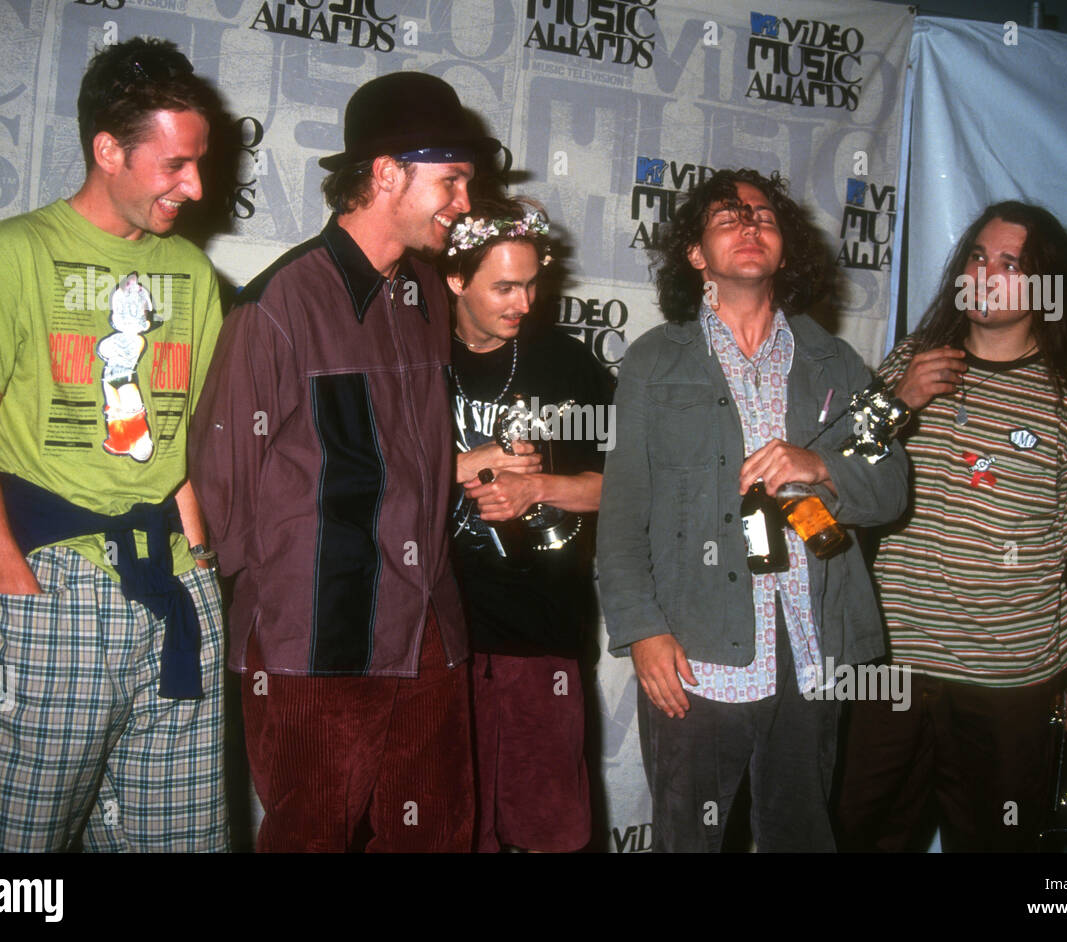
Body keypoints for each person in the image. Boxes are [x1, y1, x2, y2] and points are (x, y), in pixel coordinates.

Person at [189, 72, 498, 852]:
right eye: (452, 180)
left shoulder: (427, 294)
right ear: (387, 173)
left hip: (428, 628)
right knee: (311, 839)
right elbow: (220, 495)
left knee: (438, 836)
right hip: (315, 644)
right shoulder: (276, 306)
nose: (465, 202)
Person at [0, 37, 227, 851]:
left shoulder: (194, 276)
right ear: (108, 150)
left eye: (198, 163)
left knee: (176, 839)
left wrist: (201, 563)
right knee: (24, 852)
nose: (194, 186)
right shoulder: (15, 250)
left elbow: (190, 449)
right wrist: (11, 579)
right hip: (55, 581)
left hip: (175, 585)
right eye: (173, 165)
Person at [596, 168, 908, 852]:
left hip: (812, 647)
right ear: (696, 255)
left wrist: (820, 464)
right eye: (729, 216)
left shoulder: (837, 364)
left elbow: (892, 488)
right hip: (699, 656)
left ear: (786, 250)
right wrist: (642, 630)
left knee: (801, 836)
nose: (750, 225)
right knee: (691, 842)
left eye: (763, 216)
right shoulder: (653, 363)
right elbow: (621, 517)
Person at [836, 201, 1067, 852]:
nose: (986, 272)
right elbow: (839, 483)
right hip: (894, 666)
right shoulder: (909, 363)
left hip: (1010, 683)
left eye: (1011, 263)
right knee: (857, 835)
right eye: (978, 256)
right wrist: (902, 402)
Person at [441, 196, 612, 852]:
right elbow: (361, 476)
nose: (524, 302)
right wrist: (460, 466)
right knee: (453, 834)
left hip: (542, 638)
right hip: (436, 645)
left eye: (532, 283)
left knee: (553, 834)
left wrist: (534, 487)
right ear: (456, 279)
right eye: (504, 286)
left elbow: (626, 488)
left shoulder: (568, 367)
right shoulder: (411, 359)